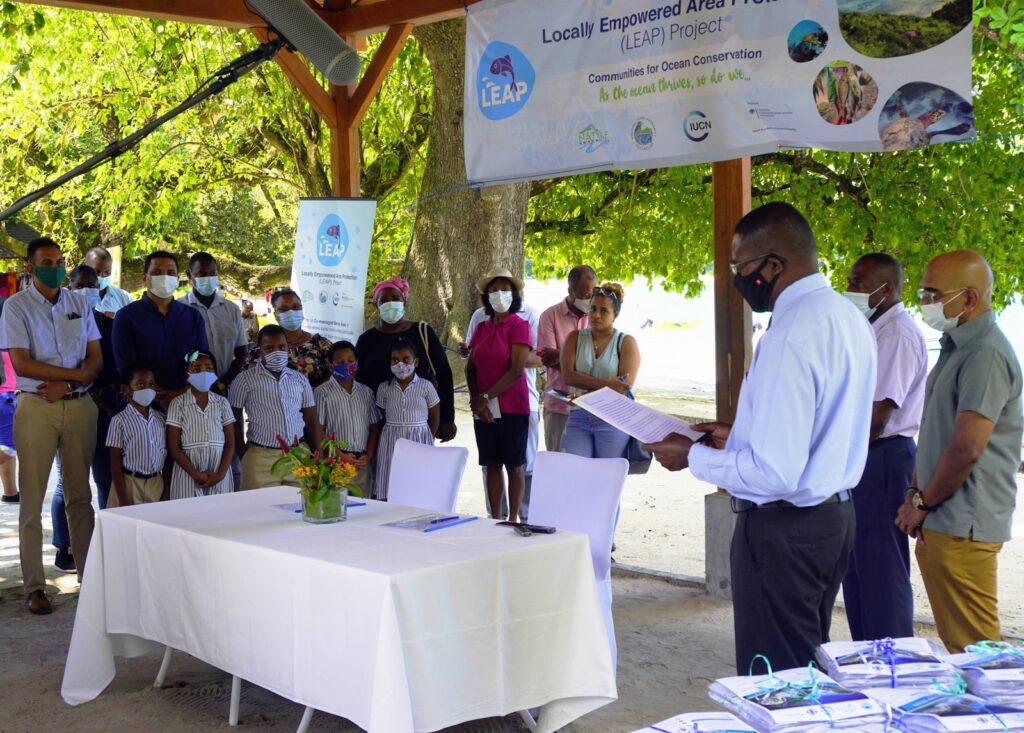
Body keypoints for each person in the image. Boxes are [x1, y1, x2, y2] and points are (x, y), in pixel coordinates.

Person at [644, 203, 876, 672]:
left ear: (773, 265)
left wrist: (692, 457)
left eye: (740, 267)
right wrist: (738, 434)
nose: (736, 278)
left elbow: (774, 473)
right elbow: (817, 425)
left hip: (784, 529)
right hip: (832, 518)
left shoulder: (792, 333)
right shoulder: (845, 316)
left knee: (776, 679)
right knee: (806, 665)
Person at [896, 250, 1023, 653]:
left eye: (933, 293)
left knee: (979, 654)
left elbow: (968, 446)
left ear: (969, 298)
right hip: (942, 516)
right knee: (961, 648)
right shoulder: (957, 345)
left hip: (962, 520)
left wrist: (921, 500)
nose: (925, 303)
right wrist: (915, 495)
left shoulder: (985, 353)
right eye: (922, 292)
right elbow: (936, 432)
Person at [0, 237, 103, 615]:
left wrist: (72, 383)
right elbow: (23, 364)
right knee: (31, 499)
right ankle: (35, 588)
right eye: (46, 261)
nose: (55, 267)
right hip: (36, 405)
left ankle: (90, 578)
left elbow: (96, 359)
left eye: (59, 261)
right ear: (31, 267)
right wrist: (72, 376)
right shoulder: (16, 306)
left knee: (80, 496)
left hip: (79, 405)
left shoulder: (79, 302)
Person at [841, 253, 927, 641]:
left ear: (887, 289)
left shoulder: (896, 334)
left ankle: (892, 662)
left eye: (858, 282)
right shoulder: (871, 328)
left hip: (883, 456)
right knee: (856, 568)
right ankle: (866, 659)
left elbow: (878, 416)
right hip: (865, 455)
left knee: (882, 570)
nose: (850, 289)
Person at [50, 265, 120, 572]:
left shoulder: (109, 323)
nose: (87, 291)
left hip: (104, 411)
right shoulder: (60, 321)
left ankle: (107, 539)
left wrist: (105, 394)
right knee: (68, 484)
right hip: (69, 404)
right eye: (81, 285)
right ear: (70, 286)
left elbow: (118, 366)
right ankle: (63, 547)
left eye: (92, 285)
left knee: (105, 478)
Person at [465, 293, 541, 521]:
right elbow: (471, 367)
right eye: (494, 289)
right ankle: (496, 518)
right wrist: (477, 400)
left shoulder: (521, 324)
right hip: (483, 407)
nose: (499, 295)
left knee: (516, 465)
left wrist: (485, 396)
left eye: (505, 289)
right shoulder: (481, 325)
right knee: (491, 464)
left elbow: (517, 369)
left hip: (513, 406)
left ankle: (514, 520)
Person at [355, 277, 457, 443]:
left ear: (404, 301)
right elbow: (359, 381)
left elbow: (444, 374)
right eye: (383, 300)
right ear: (376, 305)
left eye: (395, 298)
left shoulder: (422, 332)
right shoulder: (366, 340)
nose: (390, 303)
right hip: (377, 424)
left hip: (418, 424)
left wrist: (447, 418)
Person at [230, 325, 322, 490]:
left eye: (281, 347)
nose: (277, 352)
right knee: (259, 512)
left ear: (288, 347)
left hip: (298, 456)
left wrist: (317, 455)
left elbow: (312, 419)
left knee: (298, 510)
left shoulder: (299, 379)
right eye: (269, 348)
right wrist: (243, 453)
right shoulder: (244, 380)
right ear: (260, 350)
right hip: (260, 458)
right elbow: (232, 419)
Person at [112, 250, 208, 410]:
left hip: (188, 404)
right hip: (143, 408)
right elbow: (126, 367)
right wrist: (159, 396)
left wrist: (180, 394)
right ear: (144, 278)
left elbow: (202, 362)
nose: (164, 278)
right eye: (157, 273)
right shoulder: (126, 317)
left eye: (171, 273)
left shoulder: (192, 317)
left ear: (177, 280)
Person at [560, 283, 640, 459]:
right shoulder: (575, 338)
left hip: (613, 418)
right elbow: (568, 376)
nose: (596, 315)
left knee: (607, 478)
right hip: (579, 416)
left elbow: (622, 387)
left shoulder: (626, 343)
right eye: (593, 309)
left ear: (615, 315)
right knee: (575, 472)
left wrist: (585, 394)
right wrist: (607, 384)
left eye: (604, 311)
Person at [538, 265, 596, 451]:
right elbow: (547, 359)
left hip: (592, 407)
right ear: (571, 290)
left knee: (587, 470)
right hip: (559, 407)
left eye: (593, 293)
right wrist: (585, 360)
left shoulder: (597, 317)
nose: (590, 299)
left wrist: (561, 356)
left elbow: (602, 360)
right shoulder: (550, 316)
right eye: (585, 294)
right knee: (557, 466)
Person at [374, 338, 440, 500]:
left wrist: (428, 437)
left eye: (406, 359)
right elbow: (381, 412)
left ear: (415, 362)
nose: (400, 364)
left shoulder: (426, 386)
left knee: (418, 479)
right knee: (390, 474)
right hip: (391, 438)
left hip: (419, 437)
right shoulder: (384, 388)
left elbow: (434, 414)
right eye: (395, 360)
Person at [167, 350, 236, 499]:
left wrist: (220, 475)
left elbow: (230, 443)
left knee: (220, 517)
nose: (204, 372)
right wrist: (197, 475)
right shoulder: (178, 404)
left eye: (209, 368)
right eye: (196, 369)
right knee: (190, 517)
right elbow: (174, 447)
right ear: (186, 375)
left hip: (219, 470)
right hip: (188, 473)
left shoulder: (222, 403)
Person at [314, 341, 380, 496]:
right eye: (340, 362)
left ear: (356, 363)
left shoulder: (366, 392)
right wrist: (340, 455)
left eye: (350, 361)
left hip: (362, 464)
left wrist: (368, 456)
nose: (346, 364)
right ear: (331, 366)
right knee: (337, 507)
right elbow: (319, 430)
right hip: (336, 463)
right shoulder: (322, 393)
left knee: (363, 509)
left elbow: (374, 428)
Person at [179, 252, 248, 390]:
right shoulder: (179, 309)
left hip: (227, 388)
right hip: (190, 391)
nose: (208, 278)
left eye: (212, 274)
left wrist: (223, 383)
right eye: (201, 274)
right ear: (189, 275)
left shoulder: (232, 309)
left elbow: (241, 352)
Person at [246, 288, 332, 388]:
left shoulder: (321, 345)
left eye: (296, 307)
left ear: (302, 310)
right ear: (276, 315)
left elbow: (335, 378)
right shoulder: (261, 350)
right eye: (283, 309)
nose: (291, 312)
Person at [107, 365, 166, 507]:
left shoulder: (162, 419)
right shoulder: (119, 421)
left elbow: (168, 457)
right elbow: (115, 463)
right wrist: (122, 498)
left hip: (156, 483)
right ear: (126, 389)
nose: (147, 388)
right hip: (129, 484)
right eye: (140, 384)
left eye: (151, 384)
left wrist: (166, 491)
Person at [84, 246, 133, 317]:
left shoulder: (123, 297)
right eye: (97, 272)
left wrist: (118, 318)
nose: (102, 276)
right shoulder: (74, 298)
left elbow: (139, 319)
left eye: (107, 272)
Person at [0, 347, 18, 505]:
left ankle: (10, 492)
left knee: (5, 448)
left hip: (7, 396)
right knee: (9, 447)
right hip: (4, 398)